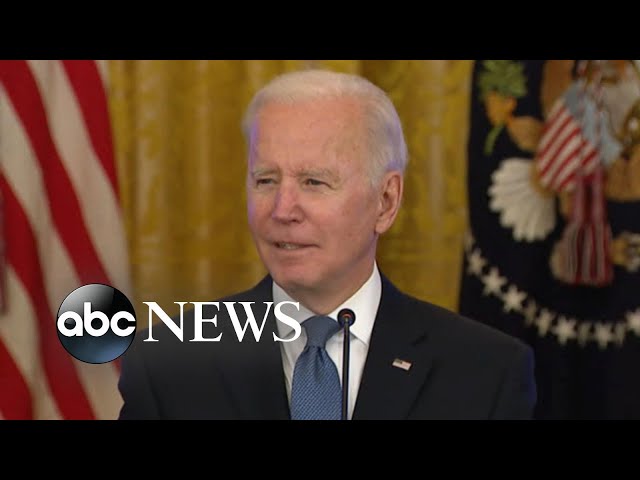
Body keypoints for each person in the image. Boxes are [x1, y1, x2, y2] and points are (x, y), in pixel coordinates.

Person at [117, 69, 537, 420]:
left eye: (314, 182)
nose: (283, 209)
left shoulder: (486, 372)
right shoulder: (166, 364)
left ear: (386, 201)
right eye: (266, 180)